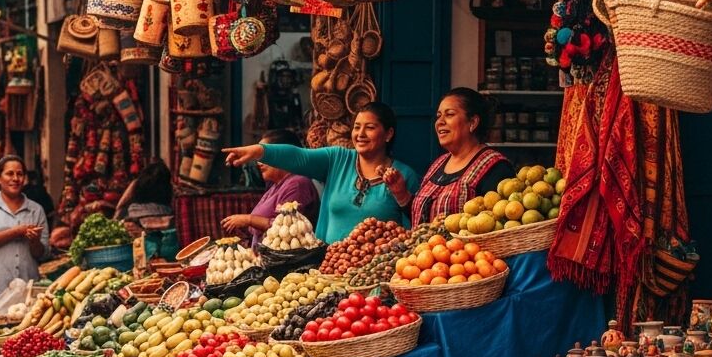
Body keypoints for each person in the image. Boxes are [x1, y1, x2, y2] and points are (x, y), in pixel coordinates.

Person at [224, 102, 419, 242]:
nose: (360, 134)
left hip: (376, 276)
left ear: (388, 134)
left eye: (370, 128)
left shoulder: (404, 175)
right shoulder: (337, 159)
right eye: (357, 127)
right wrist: (259, 151)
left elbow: (414, 230)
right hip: (329, 270)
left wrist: (401, 193)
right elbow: (299, 157)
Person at [406, 88, 516, 225]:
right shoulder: (438, 164)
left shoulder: (496, 167)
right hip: (426, 247)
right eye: (438, 115)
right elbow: (421, 215)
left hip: (467, 247)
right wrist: (401, 194)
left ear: (473, 123)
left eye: (449, 114)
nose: (440, 121)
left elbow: (499, 225)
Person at [0, 156, 49, 314]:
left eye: (19, 174)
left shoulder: (36, 210)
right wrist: (15, 232)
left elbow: (43, 254)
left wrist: (34, 242)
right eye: (9, 174)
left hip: (26, 293)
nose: (15, 178)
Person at [221, 129, 321, 247]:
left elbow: (287, 231)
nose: (259, 163)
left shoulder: (298, 184)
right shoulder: (276, 185)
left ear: (281, 156)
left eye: (264, 156)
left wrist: (248, 220)